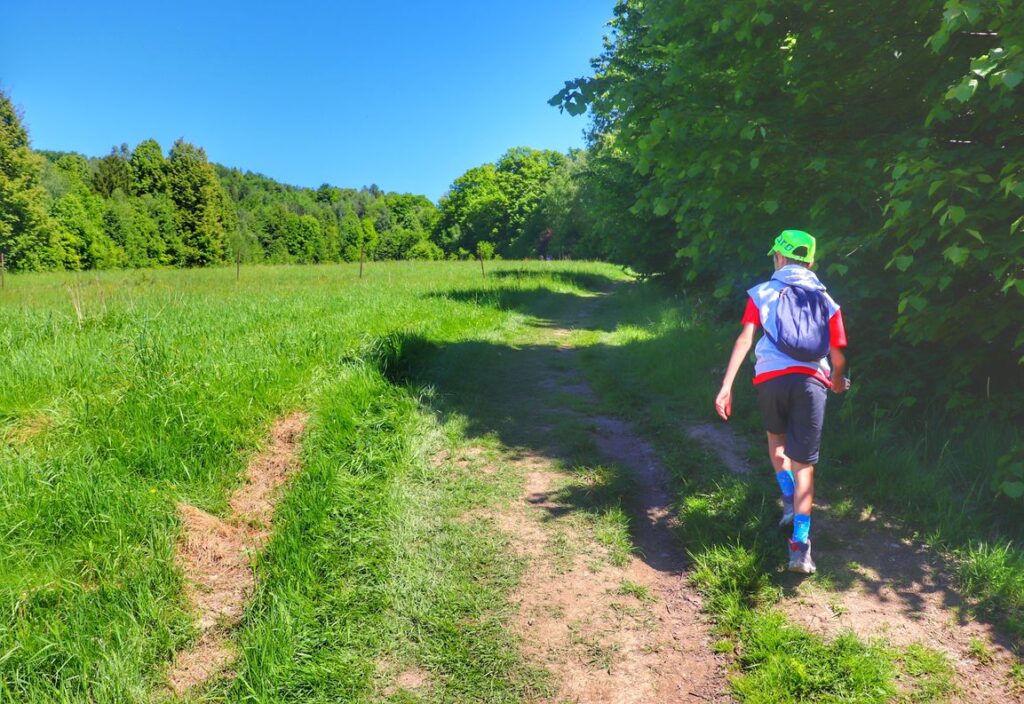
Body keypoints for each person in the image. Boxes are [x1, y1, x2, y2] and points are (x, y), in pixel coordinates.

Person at [714, 230, 848, 574]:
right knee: (805, 464)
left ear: (779, 258)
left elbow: (746, 339)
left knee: (777, 443)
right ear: (811, 262)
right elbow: (838, 356)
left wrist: (726, 386)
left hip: (771, 379)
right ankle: (800, 546)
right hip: (812, 384)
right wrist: (835, 382)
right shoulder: (828, 302)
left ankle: (788, 501)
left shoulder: (762, 293)